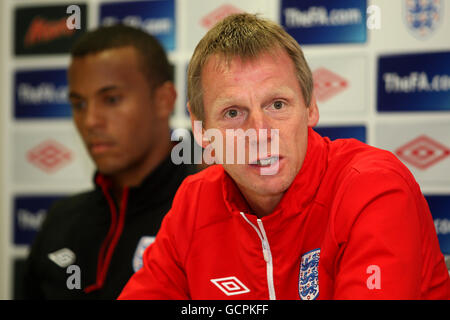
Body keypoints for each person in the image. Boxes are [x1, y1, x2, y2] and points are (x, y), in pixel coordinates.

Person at [118, 14, 450, 300]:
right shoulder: (195, 201)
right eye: (233, 112)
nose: (260, 132)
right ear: (201, 129)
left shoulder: (372, 187)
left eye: (277, 104)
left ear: (310, 107)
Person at [21, 25, 197, 299]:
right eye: (79, 104)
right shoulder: (61, 221)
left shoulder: (213, 209)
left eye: (111, 99)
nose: (90, 120)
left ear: (164, 100)